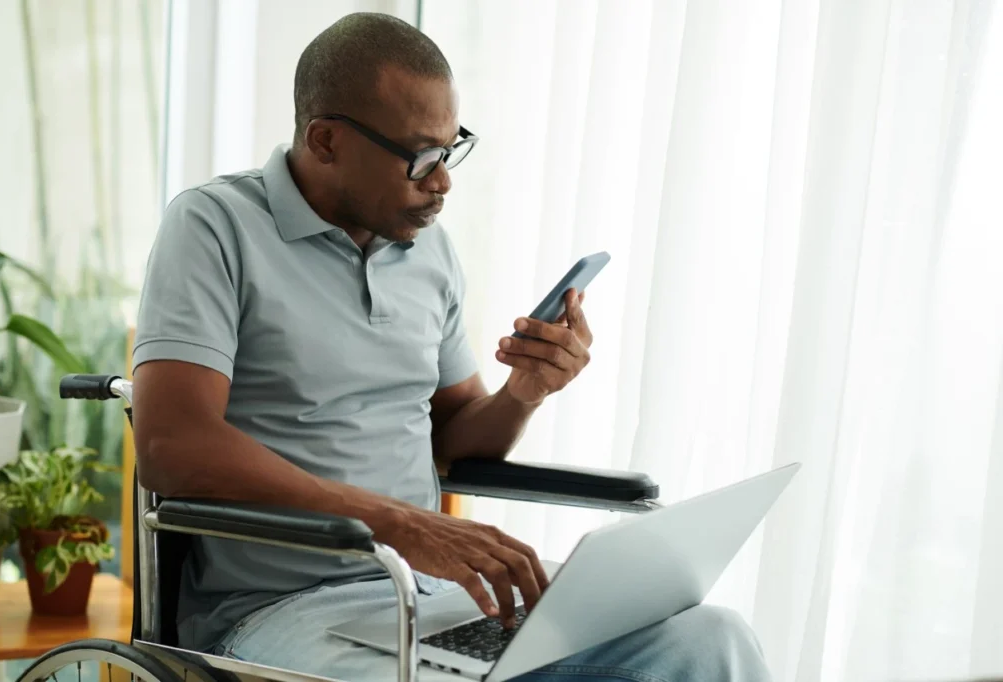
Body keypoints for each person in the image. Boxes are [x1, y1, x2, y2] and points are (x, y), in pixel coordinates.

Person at [132, 11, 771, 682]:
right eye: (421, 157)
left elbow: (457, 440)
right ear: (326, 141)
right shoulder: (213, 227)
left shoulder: (427, 250)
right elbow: (174, 447)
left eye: (451, 148)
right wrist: (400, 525)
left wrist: (526, 392)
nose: (442, 182)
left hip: (432, 597)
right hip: (277, 610)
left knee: (709, 639)